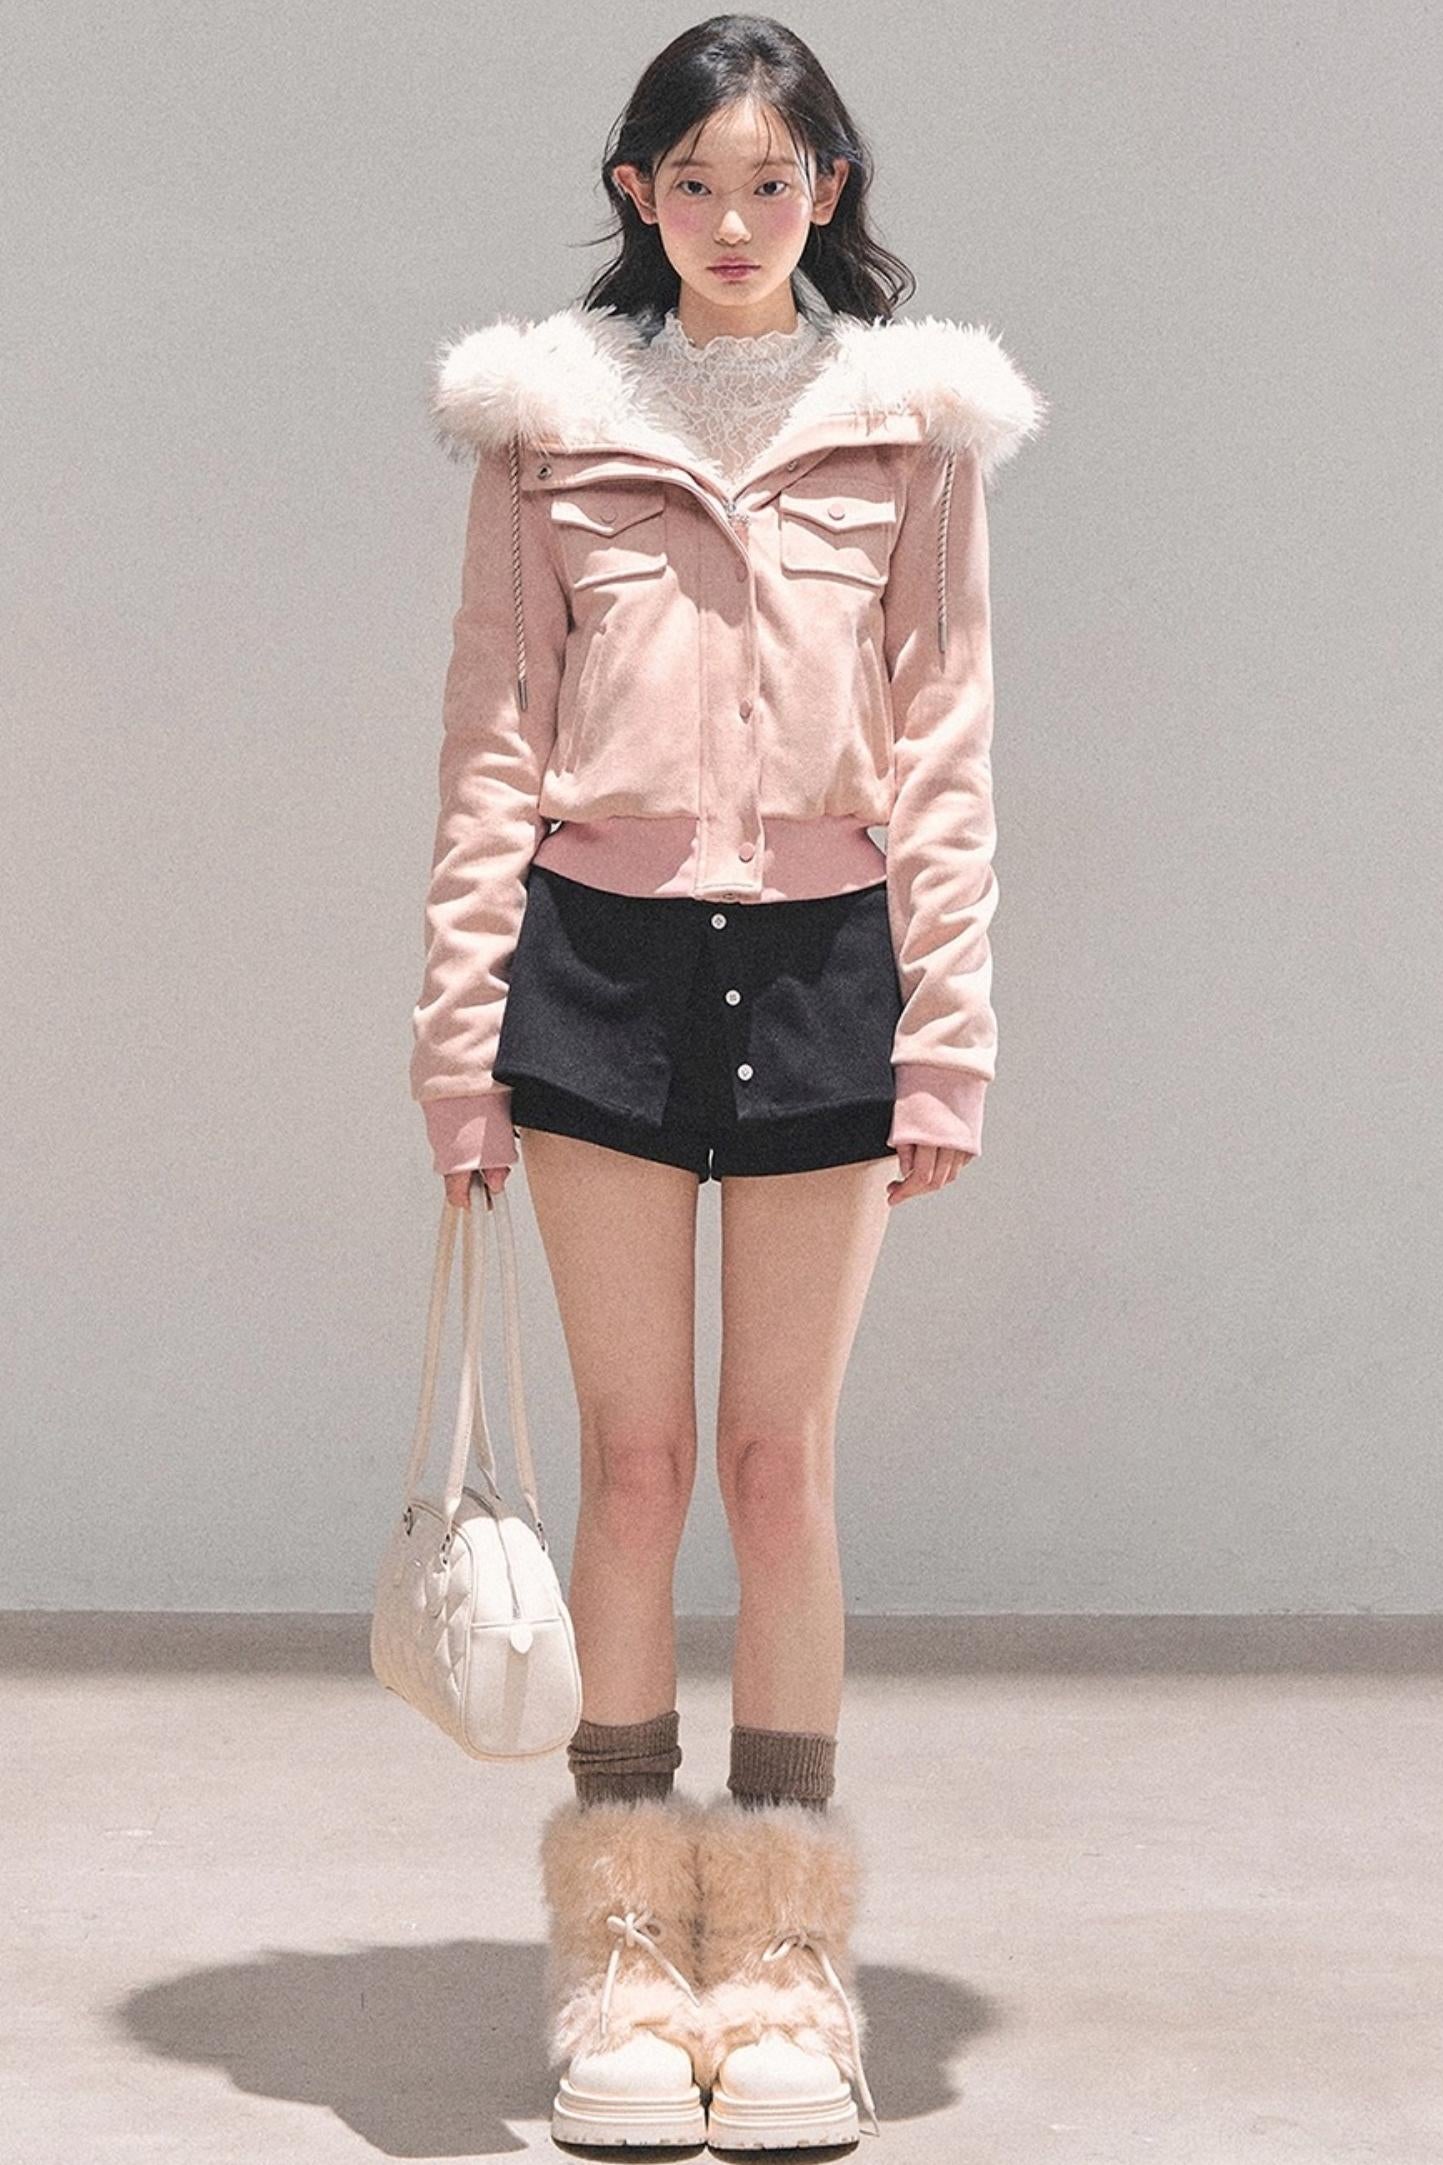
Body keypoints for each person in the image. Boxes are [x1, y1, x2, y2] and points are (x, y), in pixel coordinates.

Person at [408, 16, 1046, 2147]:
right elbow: (490, 736)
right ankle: (615, 1947)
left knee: (778, 1467)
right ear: (638, 195)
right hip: (593, 967)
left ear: (827, 194)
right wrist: (460, 1036)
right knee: (632, 1464)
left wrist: (945, 1033)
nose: (736, 220)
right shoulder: (546, 429)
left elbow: (944, 751)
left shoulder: (911, 430)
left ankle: (779, 1958)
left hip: (827, 967)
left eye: (775, 182)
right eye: (696, 183)